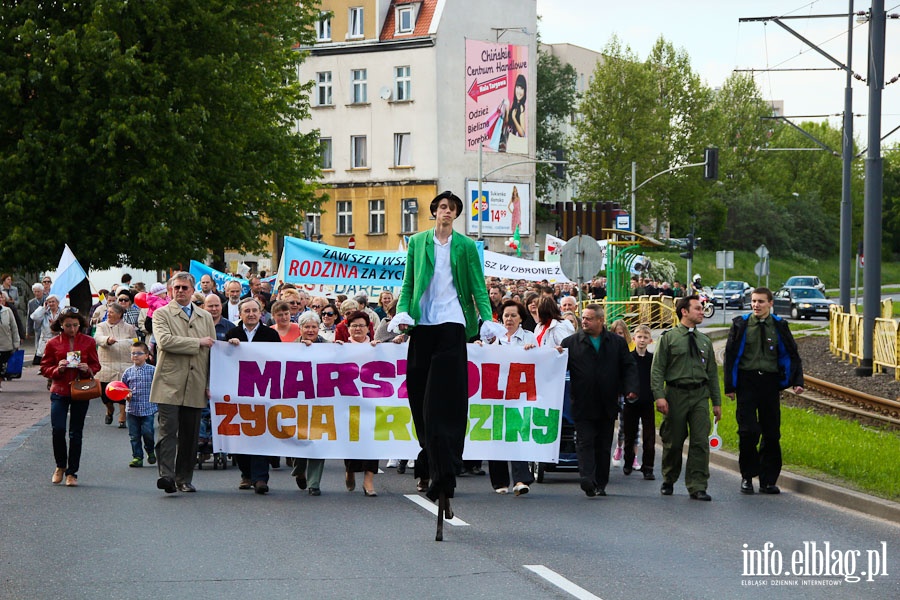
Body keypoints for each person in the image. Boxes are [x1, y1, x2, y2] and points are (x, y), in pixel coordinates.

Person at [394, 190, 493, 539]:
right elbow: (408, 284)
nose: (446, 212)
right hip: (423, 326)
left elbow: (478, 288)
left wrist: (487, 318)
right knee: (419, 400)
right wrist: (401, 311)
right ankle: (430, 459)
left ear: (455, 215)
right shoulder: (418, 242)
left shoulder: (465, 247)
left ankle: (445, 472)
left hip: (452, 326)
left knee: (444, 404)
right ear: (434, 212)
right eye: (442, 207)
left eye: (452, 209)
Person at [724, 287, 804, 495]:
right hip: (746, 382)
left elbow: (792, 354)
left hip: (769, 383)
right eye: (753, 301)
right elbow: (730, 355)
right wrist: (729, 386)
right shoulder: (741, 324)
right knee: (748, 431)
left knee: (771, 433)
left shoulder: (779, 325)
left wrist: (796, 380)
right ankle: (747, 477)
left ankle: (768, 480)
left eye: (760, 301)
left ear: (770, 304)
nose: (756, 305)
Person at [559, 304, 638, 497]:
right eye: (583, 318)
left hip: (607, 403)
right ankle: (587, 478)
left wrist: (631, 389)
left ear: (600, 320)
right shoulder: (571, 342)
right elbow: (558, 369)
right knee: (584, 442)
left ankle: (601, 482)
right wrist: (555, 355)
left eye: (589, 318)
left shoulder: (616, 343)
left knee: (603, 445)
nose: (584, 321)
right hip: (582, 403)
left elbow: (629, 366)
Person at [149, 272, 216, 494]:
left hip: (196, 382)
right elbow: (165, 342)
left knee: (191, 434)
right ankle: (166, 476)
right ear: (170, 290)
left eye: (184, 288)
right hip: (169, 382)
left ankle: (184, 478)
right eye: (176, 287)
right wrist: (197, 342)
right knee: (168, 431)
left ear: (192, 289)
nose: (180, 291)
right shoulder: (161, 314)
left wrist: (210, 382)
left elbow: (212, 352)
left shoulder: (205, 317)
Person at [651, 295, 721, 501]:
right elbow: (657, 370)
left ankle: (697, 485)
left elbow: (712, 374)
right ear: (684, 311)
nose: (702, 312)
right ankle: (669, 478)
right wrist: (659, 396)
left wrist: (716, 402)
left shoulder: (705, 341)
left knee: (700, 442)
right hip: (675, 394)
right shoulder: (669, 338)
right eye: (698, 309)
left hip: (699, 395)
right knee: (673, 441)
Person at [224, 297, 282, 494]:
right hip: (238, 391)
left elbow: (280, 360)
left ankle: (260, 478)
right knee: (241, 433)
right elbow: (223, 362)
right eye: (246, 311)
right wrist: (229, 348)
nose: (250, 314)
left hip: (264, 391)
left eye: (254, 311)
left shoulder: (270, 334)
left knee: (261, 434)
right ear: (240, 314)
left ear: (260, 313)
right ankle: (246, 474)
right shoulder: (232, 333)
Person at [40, 308, 101, 486]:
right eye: (68, 326)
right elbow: (44, 367)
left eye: (75, 325)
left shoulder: (89, 341)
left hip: (81, 390)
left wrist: (87, 369)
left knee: (76, 432)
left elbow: (96, 365)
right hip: (59, 389)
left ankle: (72, 472)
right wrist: (57, 369)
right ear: (61, 325)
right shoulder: (53, 343)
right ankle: (60, 466)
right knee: (58, 429)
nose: (72, 329)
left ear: (80, 324)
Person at [487, 299, 537, 496]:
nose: (509, 319)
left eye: (513, 315)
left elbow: (539, 359)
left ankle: (520, 479)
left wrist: (532, 351)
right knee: (497, 434)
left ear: (521, 318)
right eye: (506, 315)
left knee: (517, 433)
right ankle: (499, 481)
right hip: (497, 394)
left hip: (519, 394)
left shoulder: (529, 337)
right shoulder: (494, 337)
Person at [339, 310, 380, 497]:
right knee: (352, 438)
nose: (357, 329)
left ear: (368, 328)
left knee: (373, 438)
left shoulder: (377, 348)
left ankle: (369, 480)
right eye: (354, 325)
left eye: (361, 325)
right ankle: (350, 469)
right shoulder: (341, 347)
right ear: (348, 328)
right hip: (349, 401)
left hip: (373, 401)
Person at [288, 310, 329, 495]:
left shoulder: (330, 347)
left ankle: (314, 484)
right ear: (301, 328)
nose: (310, 330)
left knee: (318, 441)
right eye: (307, 327)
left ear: (319, 328)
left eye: (314, 326)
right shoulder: (290, 347)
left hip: (322, 402)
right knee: (299, 439)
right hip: (298, 402)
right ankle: (299, 470)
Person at [94, 303, 137, 428]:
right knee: (104, 395)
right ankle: (109, 409)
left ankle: (122, 417)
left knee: (123, 393)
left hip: (124, 365)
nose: (108, 315)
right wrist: (107, 340)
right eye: (108, 312)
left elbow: (135, 342)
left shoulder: (129, 328)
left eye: (111, 312)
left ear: (119, 315)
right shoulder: (102, 326)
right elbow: (97, 338)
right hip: (106, 365)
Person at [623, 324, 656, 480]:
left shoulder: (652, 360)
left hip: (648, 401)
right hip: (631, 401)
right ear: (634, 338)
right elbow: (623, 378)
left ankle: (648, 467)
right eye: (639, 337)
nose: (642, 340)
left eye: (645, 337)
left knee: (649, 437)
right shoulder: (628, 358)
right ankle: (628, 462)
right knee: (630, 434)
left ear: (650, 340)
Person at [122, 341, 157, 468]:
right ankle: (137, 457)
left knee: (148, 432)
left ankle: (150, 450)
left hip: (148, 408)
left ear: (147, 355)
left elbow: (158, 386)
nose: (135, 356)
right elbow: (122, 388)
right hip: (132, 409)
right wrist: (126, 394)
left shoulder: (153, 371)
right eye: (132, 353)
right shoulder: (128, 372)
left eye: (138, 353)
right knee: (134, 435)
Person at [31, 294, 62, 362]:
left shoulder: (62, 312)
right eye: (49, 302)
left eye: (53, 301)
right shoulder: (44, 312)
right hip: (46, 341)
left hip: (59, 340)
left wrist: (56, 327)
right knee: (45, 362)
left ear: (58, 302)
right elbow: (34, 317)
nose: (51, 304)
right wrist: (43, 308)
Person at [0, 293, 21, 390]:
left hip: (6, 344)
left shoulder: (7, 311)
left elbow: (14, 327)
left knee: (3, 367)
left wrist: (16, 343)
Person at [26, 283, 44, 364]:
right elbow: (29, 317)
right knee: (38, 347)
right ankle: (40, 363)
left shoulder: (47, 300)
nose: (37, 293)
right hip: (37, 327)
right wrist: (28, 331)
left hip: (46, 327)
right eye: (35, 292)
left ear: (42, 291)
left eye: (38, 291)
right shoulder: (31, 302)